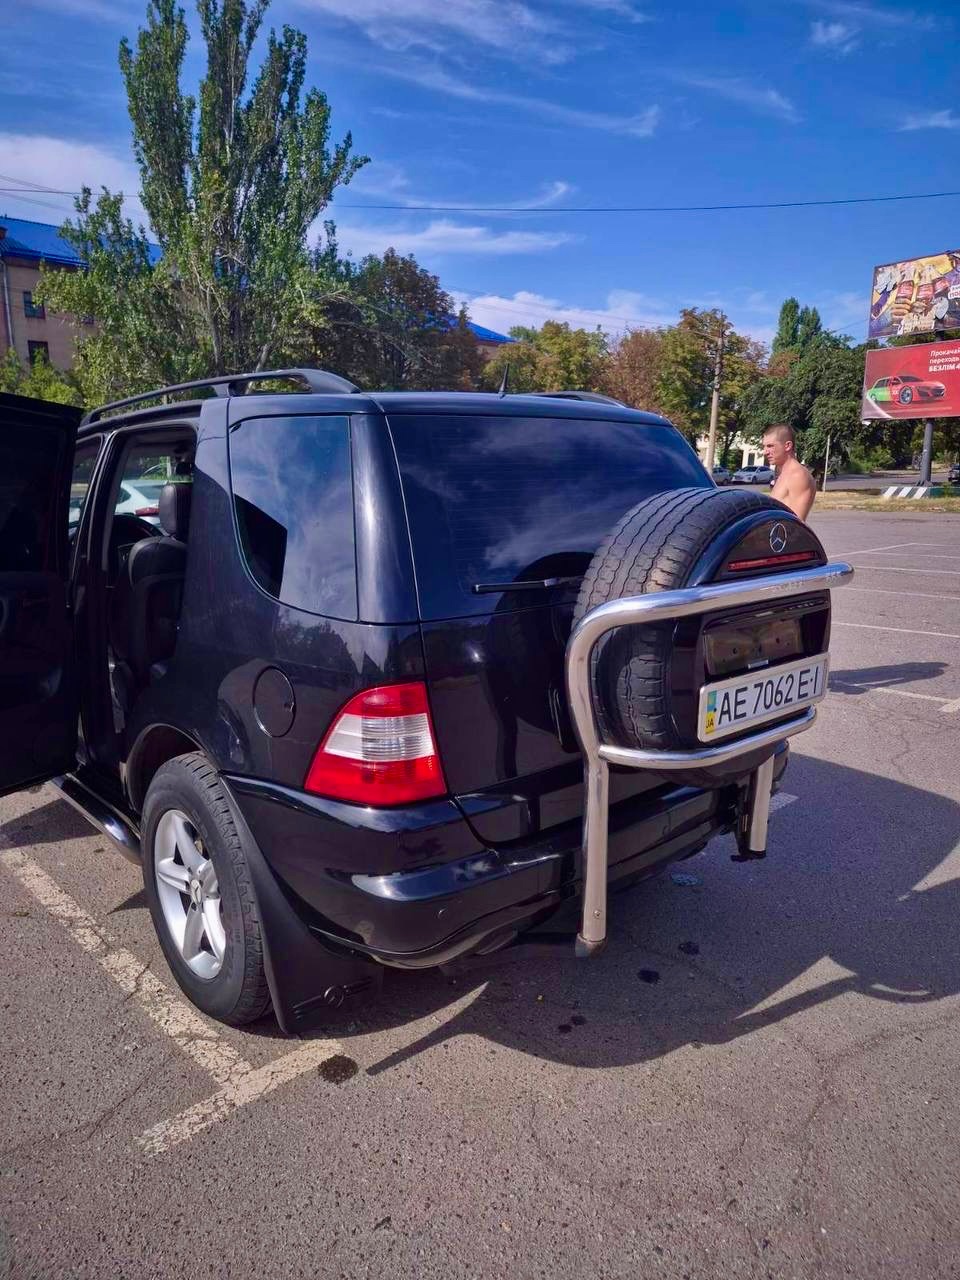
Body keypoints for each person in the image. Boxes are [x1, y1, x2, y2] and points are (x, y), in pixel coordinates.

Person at [763, 423, 816, 522]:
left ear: (787, 446)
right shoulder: (783, 473)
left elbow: (796, 524)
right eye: (764, 446)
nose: (765, 452)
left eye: (770, 446)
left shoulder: (797, 475)